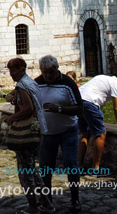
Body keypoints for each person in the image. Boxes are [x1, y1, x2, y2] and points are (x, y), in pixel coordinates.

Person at [35, 55, 83, 213]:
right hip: (47, 133)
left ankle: (75, 199)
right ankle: (47, 201)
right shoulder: (37, 83)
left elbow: (78, 108)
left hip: (67, 131)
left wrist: (60, 109)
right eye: (45, 73)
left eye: (51, 72)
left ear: (57, 69)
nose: (48, 76)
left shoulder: (67, 84)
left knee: (71, 165)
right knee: (46, 168)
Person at [5, 57, 50, 214]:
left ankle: (33, 206)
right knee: (32, 169)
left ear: (22, 69)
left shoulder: (22, 85)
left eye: (14, 70)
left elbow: (28, 109)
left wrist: (12, 118)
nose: (11, 73)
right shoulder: (31, 82)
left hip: (28, 129)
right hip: (38, 126)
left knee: (26, 171)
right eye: (10, 70)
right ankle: (47, 203)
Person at [77, 70, 117, 175]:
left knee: (84, 133)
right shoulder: (116, 85)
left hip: (78, 101)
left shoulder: (103, 78)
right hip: (90, 102)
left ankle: (79, 166)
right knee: (101, 134)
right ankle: (96, 169)